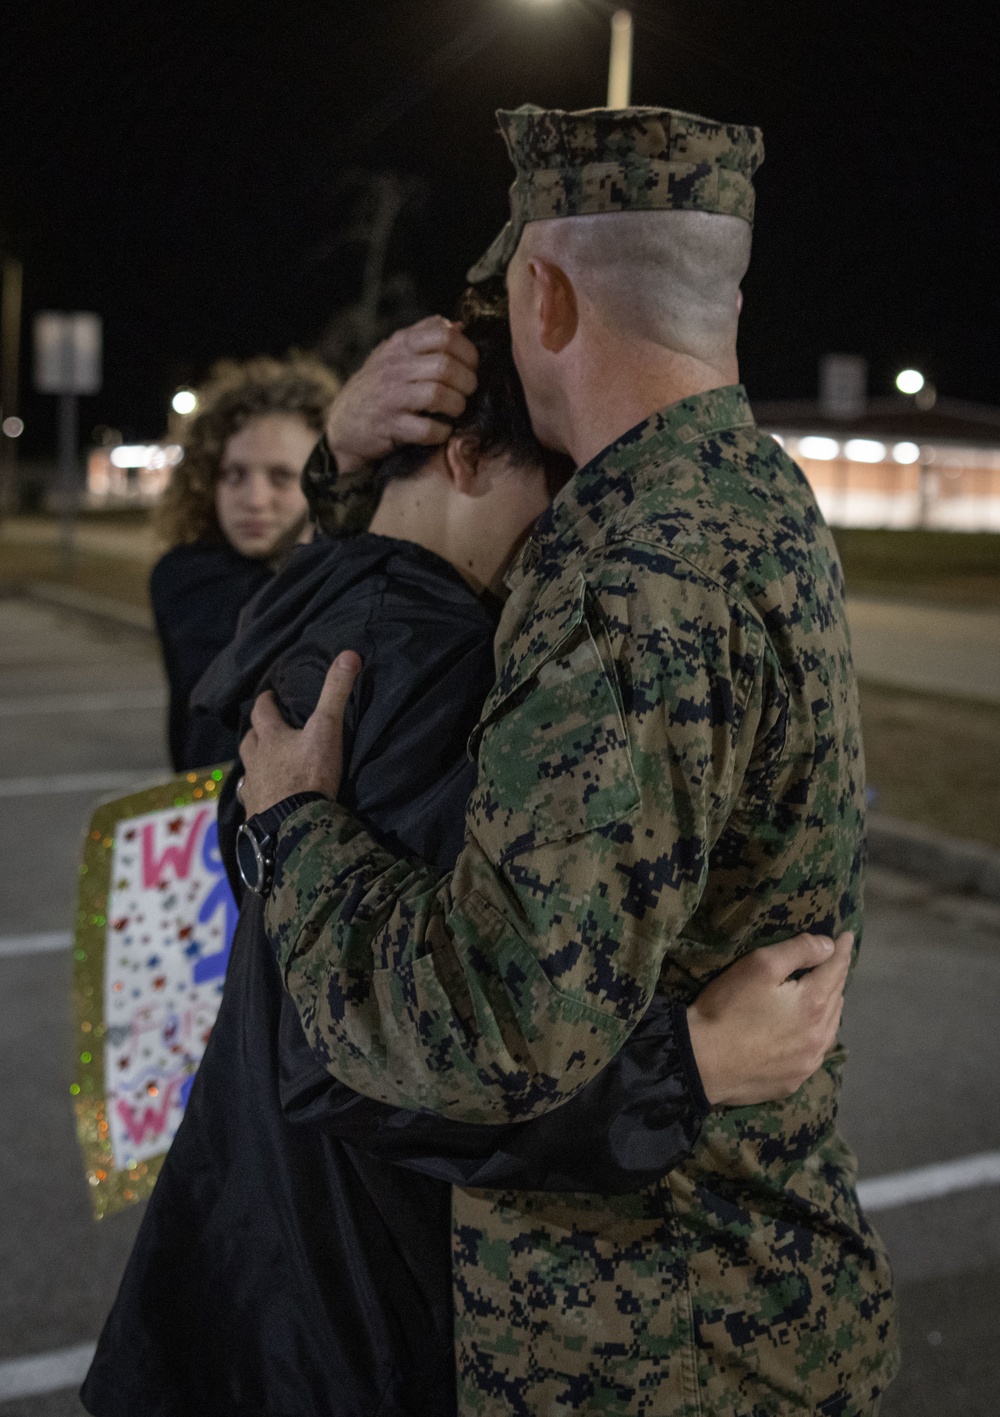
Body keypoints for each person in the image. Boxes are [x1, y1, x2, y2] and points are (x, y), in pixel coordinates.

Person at [239, 105, 898, 1415]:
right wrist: (337, 461)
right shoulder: (735, 489)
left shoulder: (638, 570)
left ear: (543, 294)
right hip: (729, 1307)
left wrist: (295, 830)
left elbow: (496, 1027)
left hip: (658, 1342)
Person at [84, 312, 851, 1417]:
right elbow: (351, 1048)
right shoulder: (424, 654)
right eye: (554, 481)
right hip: (335, 1307)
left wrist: (341, 456)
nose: (570, 523)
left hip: (251, 1271)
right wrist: (684, 1067)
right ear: (464, 456)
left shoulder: (329, 598)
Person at [150, 354, 340, 770]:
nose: (254, 500)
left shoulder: (340, 569)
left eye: (281, 477)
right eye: (233, 475)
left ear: (327, 481)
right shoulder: (186, 578)